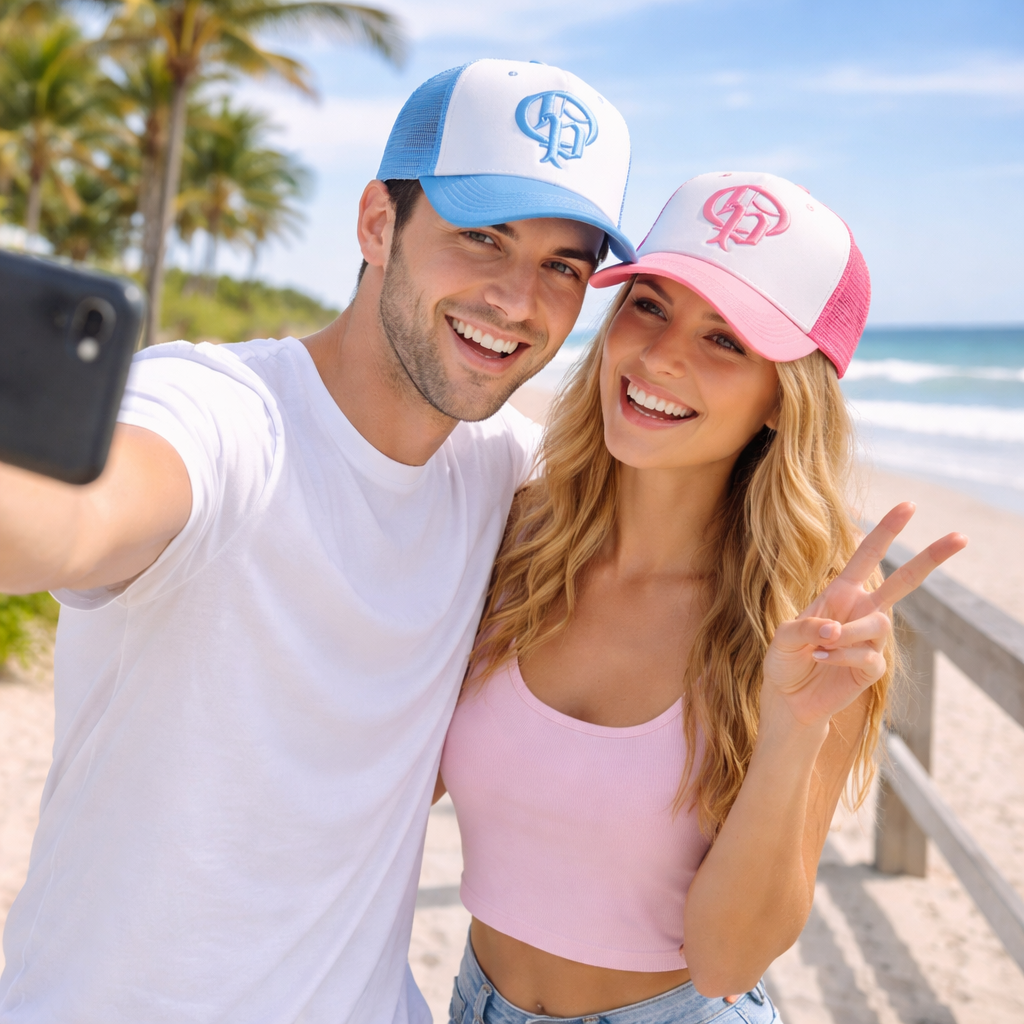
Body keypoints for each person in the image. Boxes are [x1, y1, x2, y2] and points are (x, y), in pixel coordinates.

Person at [0, 60, 634, 1024]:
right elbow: (80, 522)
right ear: (379, 223)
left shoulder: (506, 476)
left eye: (562, 266)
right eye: (480, 237)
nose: (517, 300)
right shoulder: (223, 412)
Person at [436, 172, 967, 1024]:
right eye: (649, 306)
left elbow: (727, 959)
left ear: (779, 400)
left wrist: (794, 729)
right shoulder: (515, 541)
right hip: (471, 1000)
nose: (659, 358)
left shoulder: (805, 629)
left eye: (726, 341)